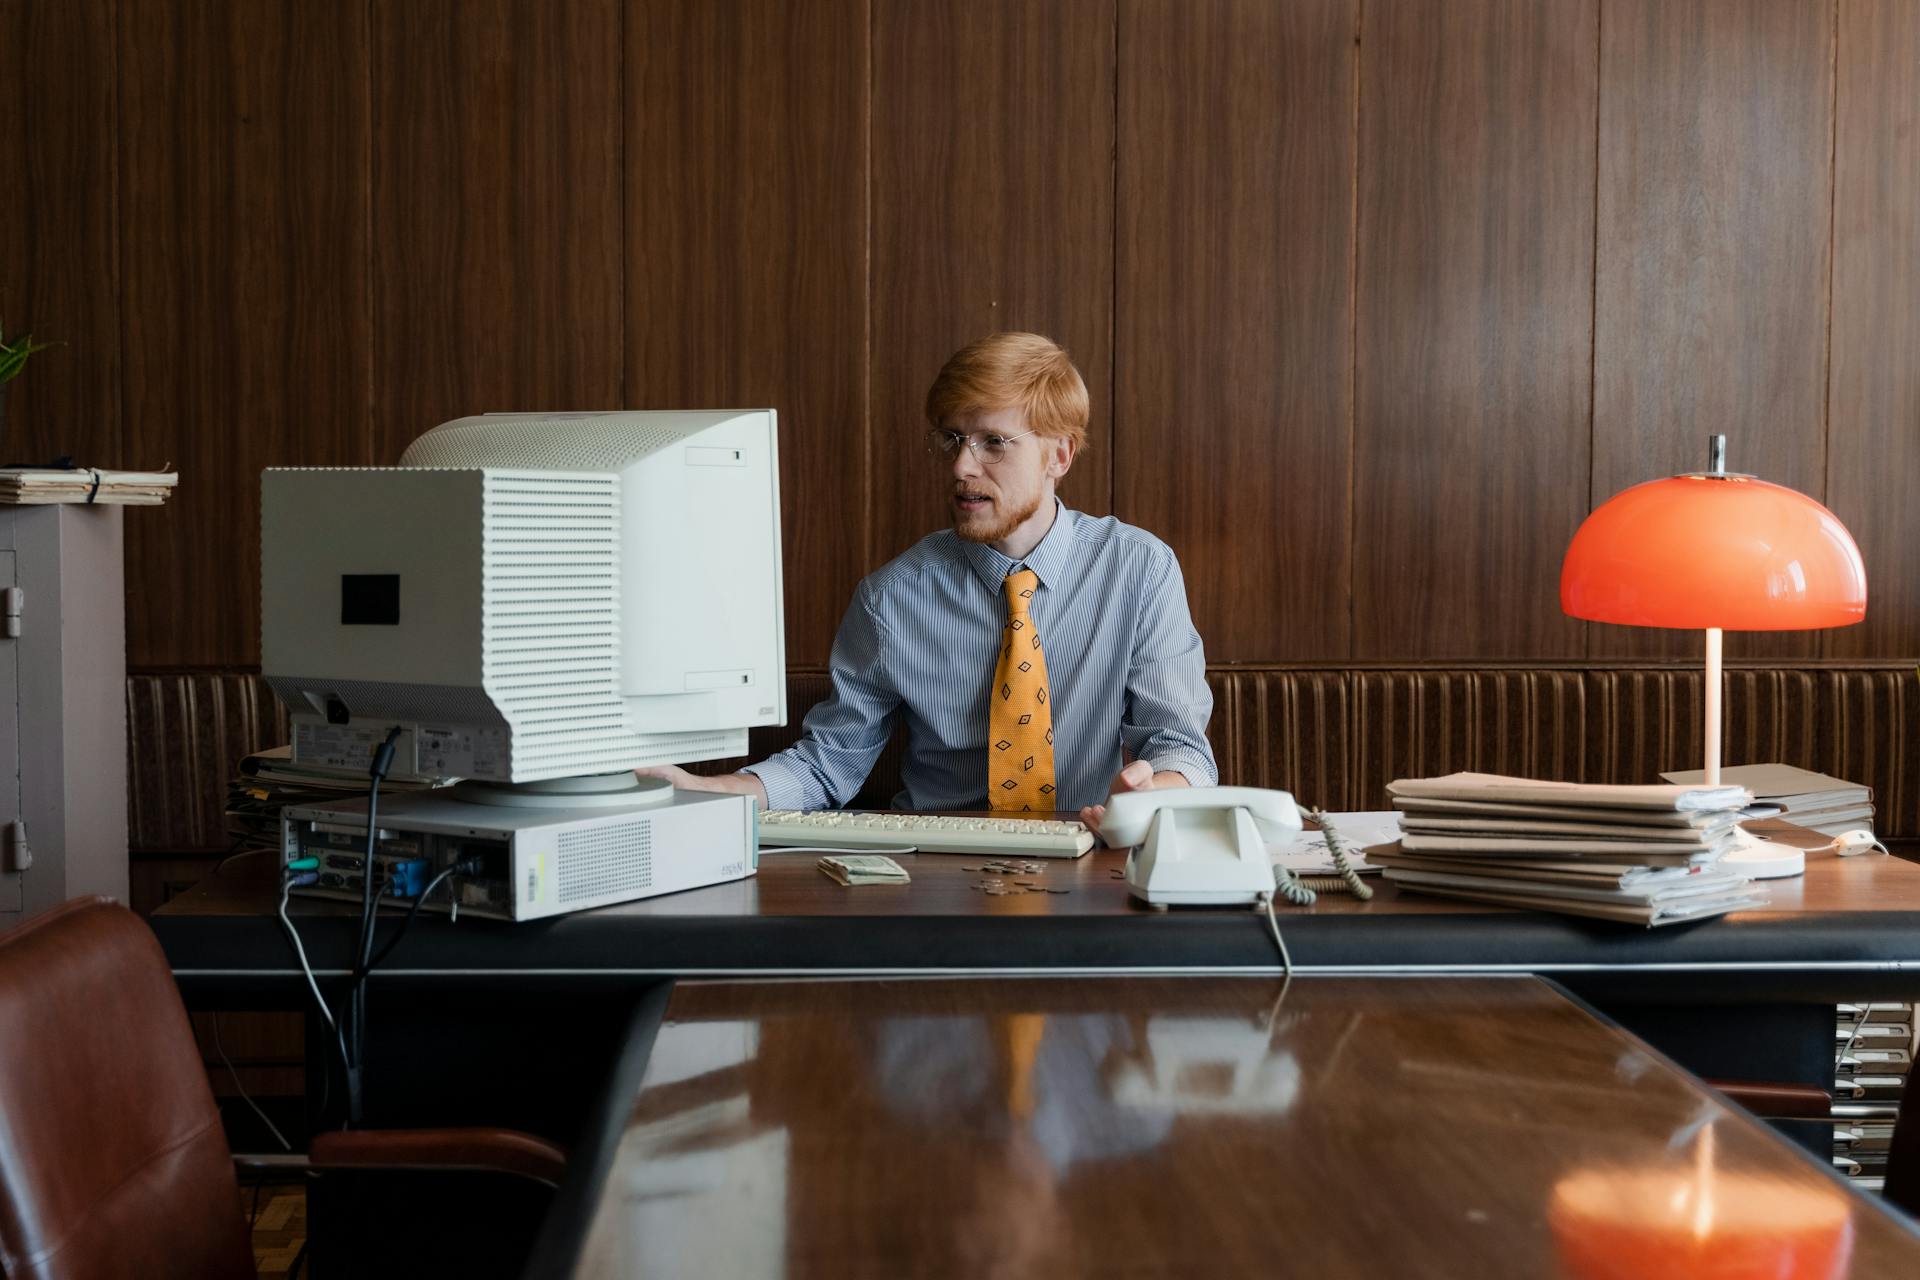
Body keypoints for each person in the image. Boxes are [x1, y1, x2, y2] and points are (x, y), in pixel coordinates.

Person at [639, 331, 1217, 829]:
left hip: (1091, 853)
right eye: (952, 439)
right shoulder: (891, 597)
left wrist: (1153, 793)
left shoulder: (1139, 569)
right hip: (936, 864)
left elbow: (1180, 745)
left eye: (994, 441)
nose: (963, 467)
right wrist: (704, 790)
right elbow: (828, 764)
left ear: (1059, 455)